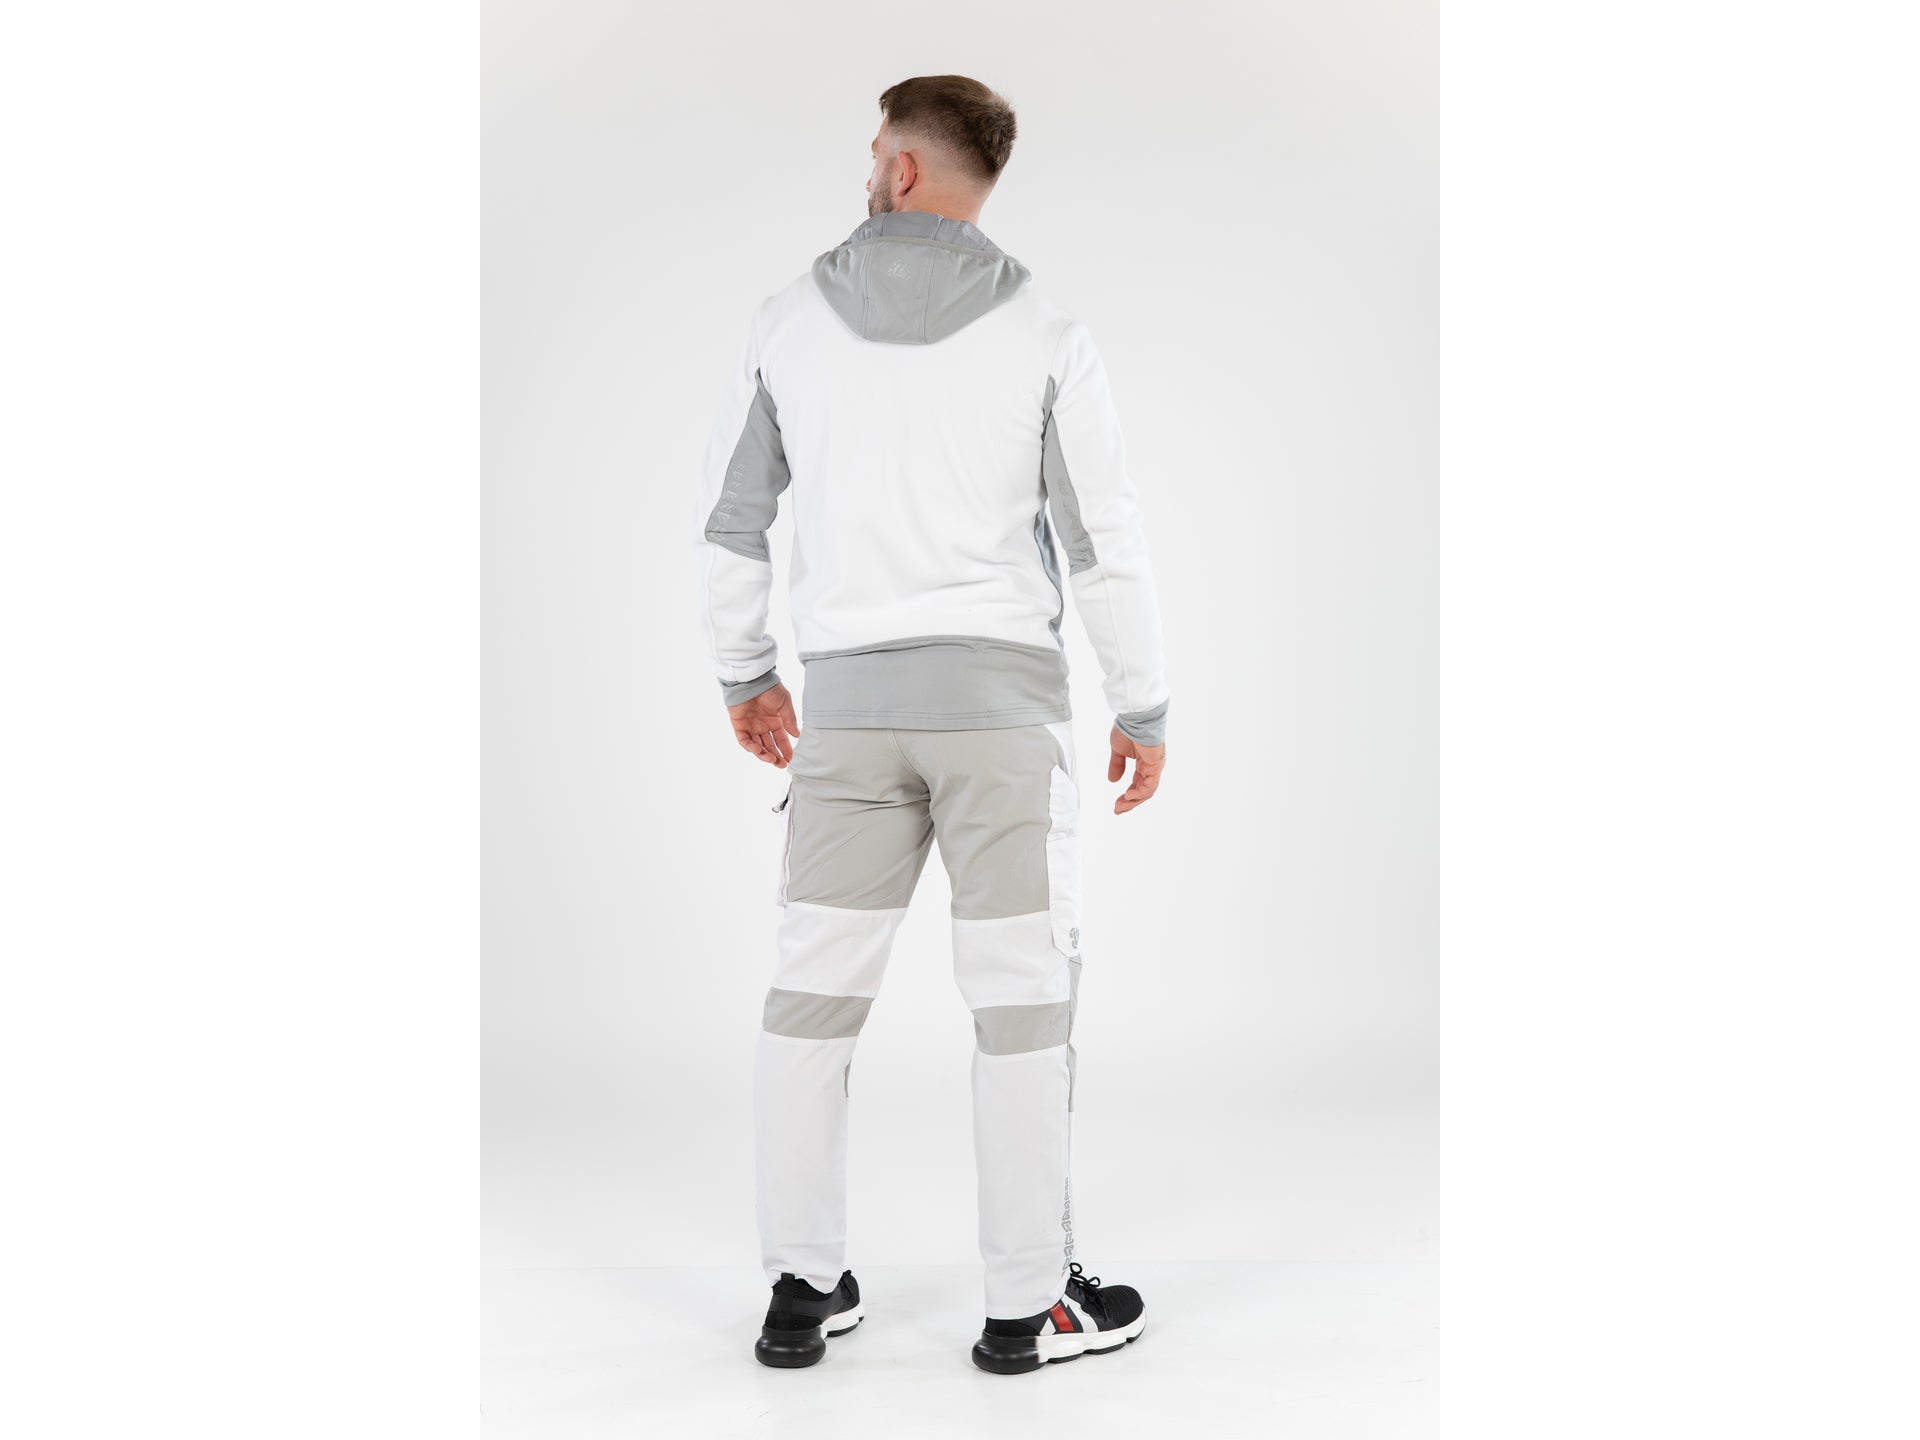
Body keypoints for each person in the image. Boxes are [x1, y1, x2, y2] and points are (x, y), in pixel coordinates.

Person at [693, 74, 1170, 1375]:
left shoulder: (786, 323)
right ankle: (1027, 1309)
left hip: (849, 724)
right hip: (1001, 724)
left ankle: (801, 1291)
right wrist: (1142, 701)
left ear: (902, 168)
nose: (867, 169)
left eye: (873, 151)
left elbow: (733, 526)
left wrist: (747, 677)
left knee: (811, 1002)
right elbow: (1104, 539)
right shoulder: (1049, 331)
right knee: (1022, 1010)